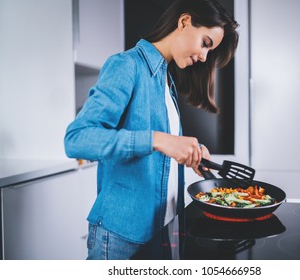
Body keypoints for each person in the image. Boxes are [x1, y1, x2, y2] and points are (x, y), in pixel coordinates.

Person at [64, 0, 239, 260]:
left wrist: (188, 152)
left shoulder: (166, 82)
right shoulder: (126, 65)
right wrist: (159, 140)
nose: (204, 57)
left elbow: (159, 154)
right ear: (184, 21)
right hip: (121, 238)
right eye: (205, 43)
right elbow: (77, 139)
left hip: (162, 230)